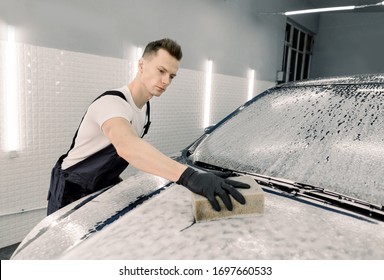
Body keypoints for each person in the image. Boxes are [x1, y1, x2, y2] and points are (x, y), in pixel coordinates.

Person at [47, 38, 250, 215]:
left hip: (101, 186)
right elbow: (127, 146)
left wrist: (196, 171)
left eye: (171, 76)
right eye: (161, 70)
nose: (165, 81)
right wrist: (189, 176)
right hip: (70, 190)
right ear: (142, 65)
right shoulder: (112, 104)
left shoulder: (145, 109)